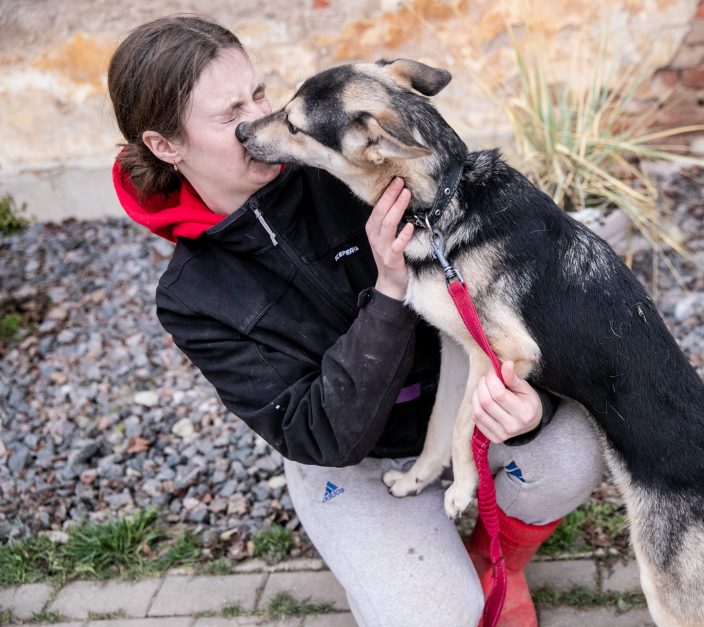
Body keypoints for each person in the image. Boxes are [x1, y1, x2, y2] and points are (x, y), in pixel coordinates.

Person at [108, 15, 605, 627]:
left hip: (455, 409)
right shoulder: (193, 296)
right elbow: (320, 436)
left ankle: (493, 560)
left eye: (258, 93)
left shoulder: (347, 162)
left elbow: (493, 293)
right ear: (164, 145)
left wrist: (524, 406)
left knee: (573, 450)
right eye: (228, 112)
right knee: (433, 616)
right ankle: (428, 570)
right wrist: (389, 290)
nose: (258, 118)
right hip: (356, 460)